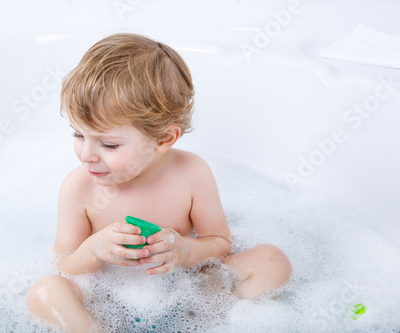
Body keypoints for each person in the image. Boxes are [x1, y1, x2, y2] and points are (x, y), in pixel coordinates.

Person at [26, 33, 292, 333]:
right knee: (44, 292)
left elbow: (219, 245)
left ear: (164, 139)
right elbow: (63, 266)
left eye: (109, 145)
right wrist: (95, 249)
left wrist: (185, 251)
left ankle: (207, 322)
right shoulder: (80, 189)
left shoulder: (192, 174)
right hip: (103, 299)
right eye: (78, 135)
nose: (86, 155)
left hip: (190, 291)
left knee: (273, 261)